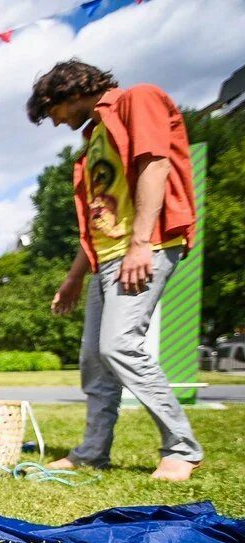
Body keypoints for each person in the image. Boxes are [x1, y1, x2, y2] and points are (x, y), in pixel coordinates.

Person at [28, 60, 203, 481]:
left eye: (51, 112)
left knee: (119, 345)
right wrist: (74, 276)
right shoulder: (93, 141)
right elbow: (97, 220)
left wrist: (141, 243)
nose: (55, 122)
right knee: (94, 359)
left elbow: (154, 165)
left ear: (66, 93)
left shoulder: (136, 100)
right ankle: (92, 451)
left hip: (146, 246)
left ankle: (181, 447)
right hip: (106, 258)